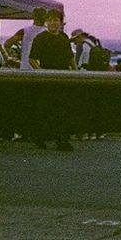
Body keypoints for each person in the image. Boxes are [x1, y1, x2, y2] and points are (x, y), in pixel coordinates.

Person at [29, 8, 76, 151]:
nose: (53, 23)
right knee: (46, 109)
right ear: (46, 22)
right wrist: (41, 72)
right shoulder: (40, 38)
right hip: (47, 78)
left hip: (63, 77)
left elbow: (70, 58)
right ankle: (39, 137)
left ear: (61, 22)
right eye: (50, 20)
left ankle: (62, 139)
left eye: (56, 20)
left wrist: (75, 72)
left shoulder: (64, 38)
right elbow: (32, 59)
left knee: (62, 109)